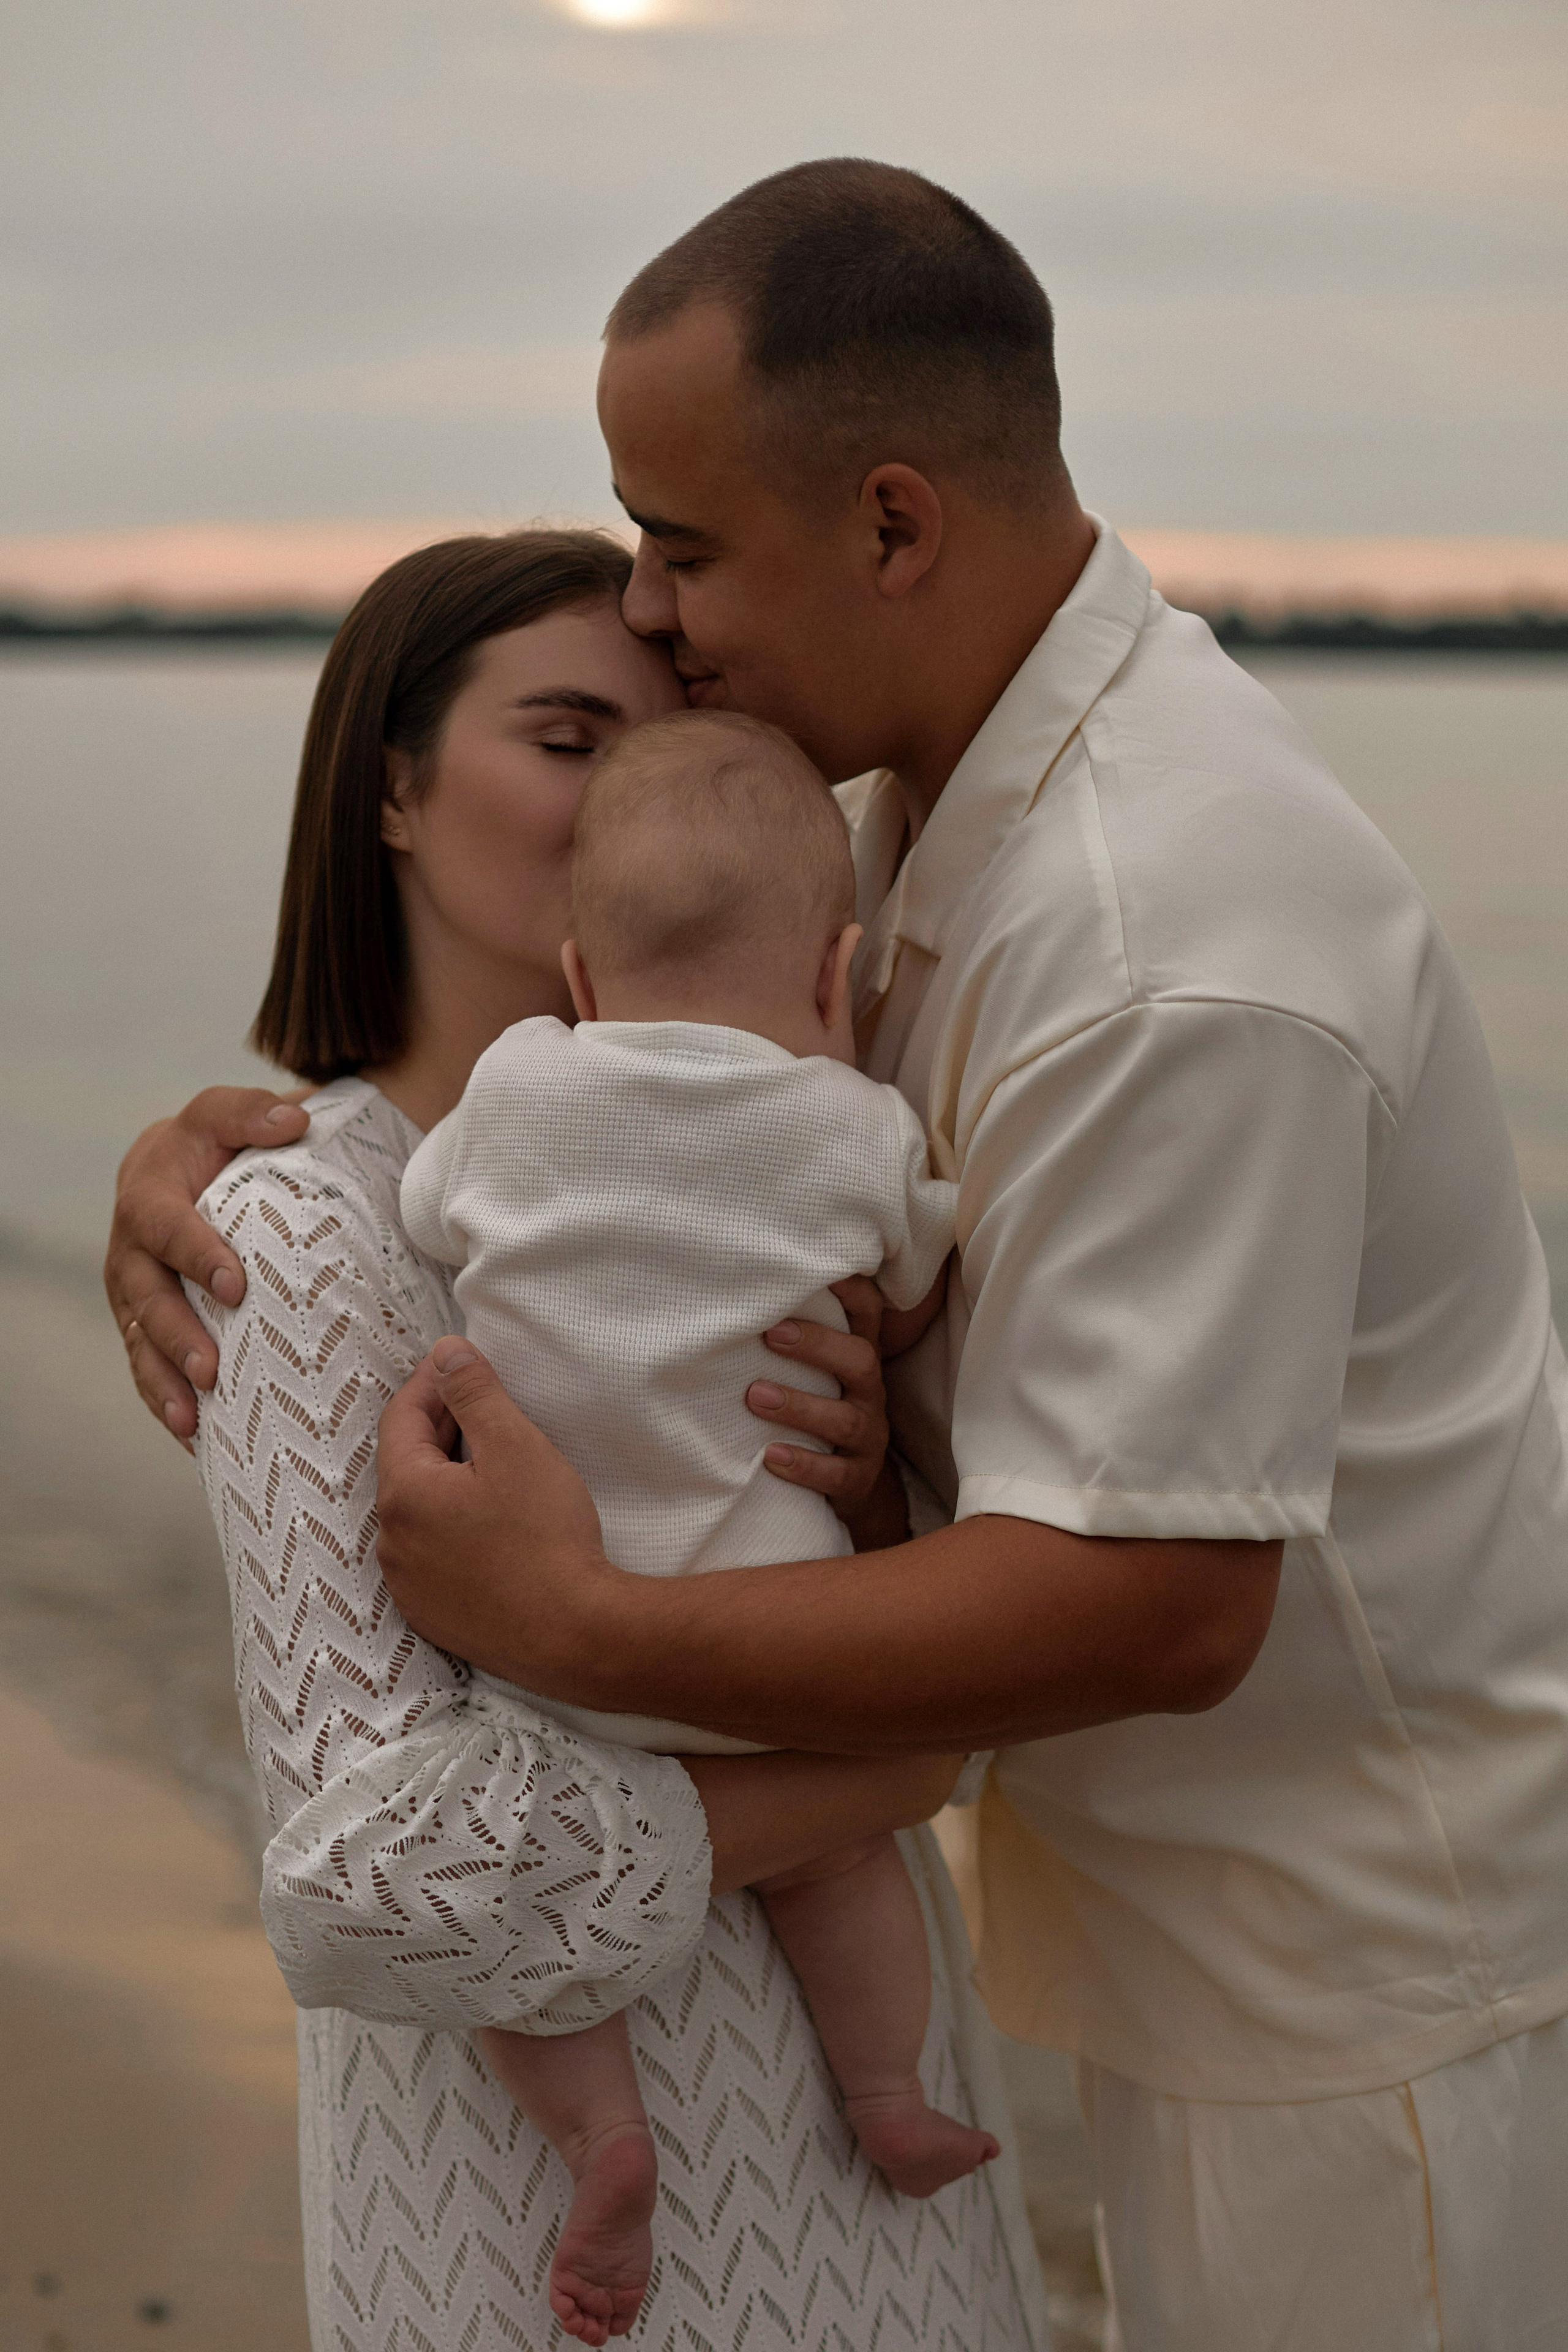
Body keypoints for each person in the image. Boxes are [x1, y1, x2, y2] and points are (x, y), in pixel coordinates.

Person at [107, 162, 1568, 2351]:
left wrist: (589, 1618)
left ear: (892, 527)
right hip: (1120, 1966)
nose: (664, 627)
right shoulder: (890, 828)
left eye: (682, 558)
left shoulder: (1164, 938)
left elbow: (1158, 1593)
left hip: (1350, 1980)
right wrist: (216, 1157)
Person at [140, 527, 1046, 2350]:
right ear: (392, 793)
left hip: (876, 2184)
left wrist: (876, 1498)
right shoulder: (307, 1236)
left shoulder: (797, 1148)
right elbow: (375, 1895)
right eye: (571, 739)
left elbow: (920, 1608)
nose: (642, 795)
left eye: (670, 740)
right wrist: (876, 1771)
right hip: (543, 2252)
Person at [410, 706, 996, 2342]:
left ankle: (603, 2141)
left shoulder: (519, 1083)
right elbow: (915, 1267)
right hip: (766, 1635)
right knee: (844, 1864)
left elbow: (423, 1209)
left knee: (534, 1939)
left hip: (545, 1628)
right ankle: (887, 2091)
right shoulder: (856, 1125)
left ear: (582, 980)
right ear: (838, 975)